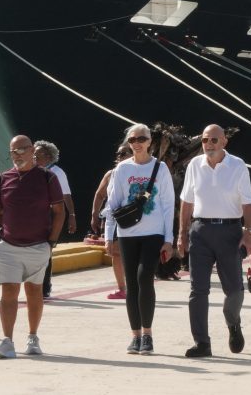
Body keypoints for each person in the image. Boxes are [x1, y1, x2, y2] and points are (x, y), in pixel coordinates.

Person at [177, 124, 251, 359]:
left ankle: (233, 322)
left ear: (224, 142)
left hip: (230, 231)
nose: (208, 144)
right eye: (204, 140)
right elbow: (187, 201)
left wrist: (248, 232)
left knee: (234, 289)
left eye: (213, 140)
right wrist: (182, 233)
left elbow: (248, 202)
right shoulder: (194, 165)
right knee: (197, 290)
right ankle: (202, 343)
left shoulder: (237, 165)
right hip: (200, 231)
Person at [0, 135, 65, 359]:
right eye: (14, 151)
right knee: (9, 291)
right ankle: (8, 342)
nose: (18, 155)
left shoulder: (48, 178)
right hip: (8, 246)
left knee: (34, 292)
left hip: (38, 246)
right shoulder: (4, 178)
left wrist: (51, 243)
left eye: (23, 150)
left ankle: (33, 338)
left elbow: (59, 212)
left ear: (33, 151)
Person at [104, 124, 175, 355]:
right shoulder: (121, 170)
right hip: (128, 234)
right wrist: (108, 235)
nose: (137, 143)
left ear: (149, 141)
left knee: (145, 277)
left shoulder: (160, 168)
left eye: (141, 138)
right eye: (132, 139)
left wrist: (169, 238)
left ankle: (147, 334)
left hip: (153, 232)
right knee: (131, 284)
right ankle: (135, 336)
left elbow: (167, 204)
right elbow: (113, 204)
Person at [34, 140, 75, 298]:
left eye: (38, 154)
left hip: (50, 215)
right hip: (33, 216)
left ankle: (45, 286)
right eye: (34, 154)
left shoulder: (57, 172)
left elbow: (66, 196)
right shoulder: (30, 171)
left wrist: (71, 216)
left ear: (49, 156)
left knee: (46, 251)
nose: (35, 157)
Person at [91, 145, 131, 299]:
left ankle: (136, 286)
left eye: (124, 153)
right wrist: (94, 214)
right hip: (116, 218)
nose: (120, 156)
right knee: (116, 253)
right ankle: (122, 288)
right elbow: (100, 194)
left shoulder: (141, 172)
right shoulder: (111, 174)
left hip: (137, 219)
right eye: (118, 153)